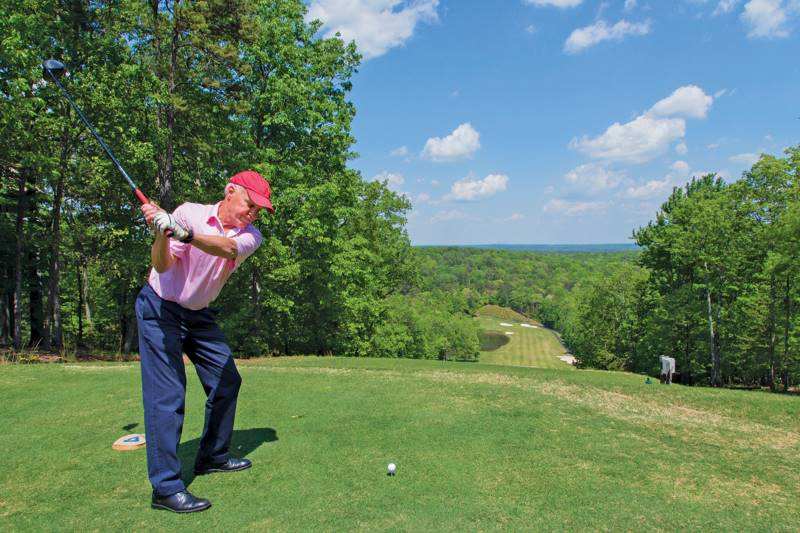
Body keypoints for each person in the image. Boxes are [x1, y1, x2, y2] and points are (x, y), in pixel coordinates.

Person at [135, 170, 274, 513]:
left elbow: (226, 247)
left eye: (259, 209)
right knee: (167, 396)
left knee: (227, 380)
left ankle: (212, 456)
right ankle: (166, 489)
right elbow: (163, 266)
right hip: (160, 308)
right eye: (250, 204)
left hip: (198, 315)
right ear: (229, 192)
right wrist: (162, 234)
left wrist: (184, 232)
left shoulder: (249, 236)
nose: (254, 213)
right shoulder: (188, 213)